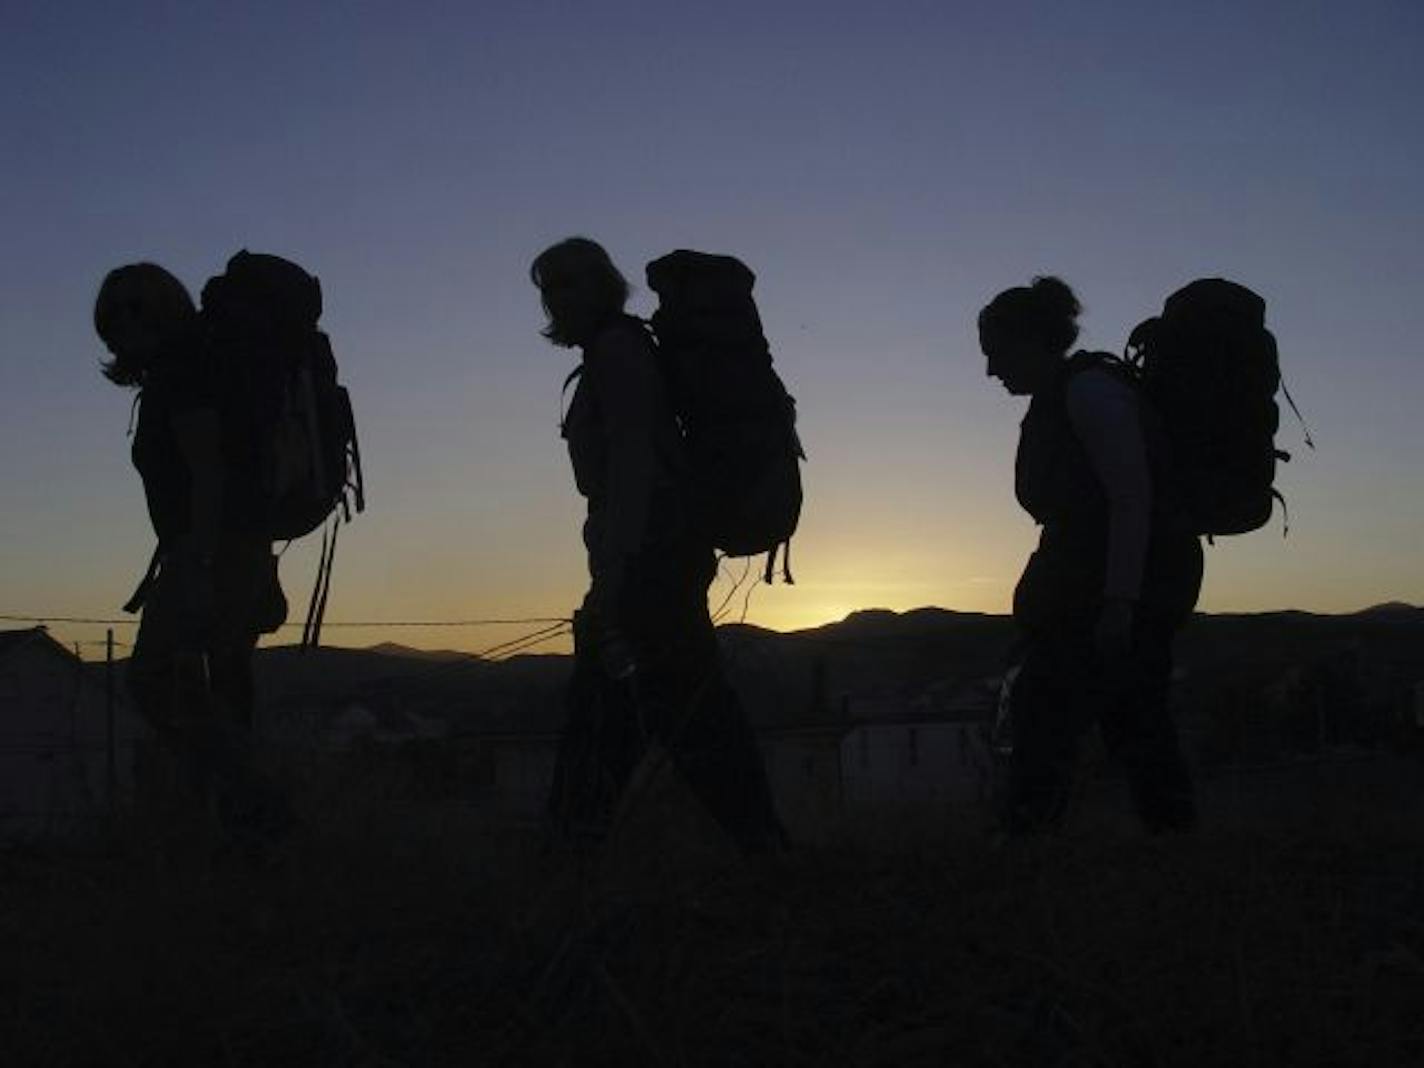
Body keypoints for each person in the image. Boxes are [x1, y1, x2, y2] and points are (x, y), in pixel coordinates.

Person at [530, 237, 786, 856]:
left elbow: (635, 463)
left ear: (598, 287)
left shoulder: (617, 352)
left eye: (565, 285)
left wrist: (616, 572)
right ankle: (578, 842)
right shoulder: (615, 350)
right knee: (655, 706)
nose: (553, 301)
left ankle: (575, 846)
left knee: (665, 708)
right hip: (657, 555)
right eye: (548, 288)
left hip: (650, 560)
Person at [977, 276, 1202, 833]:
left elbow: (1132, 499)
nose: (991, 370)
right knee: (1135, 720)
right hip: (1100, 587)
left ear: (1031, 341)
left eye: (996, 353)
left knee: (1048, 713)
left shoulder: (1089, 395)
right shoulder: (1066, 396)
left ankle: (1025, 841)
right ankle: (1173, 842)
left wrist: (1120, 602)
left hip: (1117, 590)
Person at [94, 262, 289, 849]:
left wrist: (199, 566)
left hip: (211, 551)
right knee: (222, 686)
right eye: (117, 311)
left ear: (166, 307)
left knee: (153, 680)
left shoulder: (183, 373)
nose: (128, 320)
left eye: (140, 306)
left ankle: (256, 802)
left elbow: (208, 472)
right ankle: (236, 838)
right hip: (238, 550)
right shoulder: (195, 369)